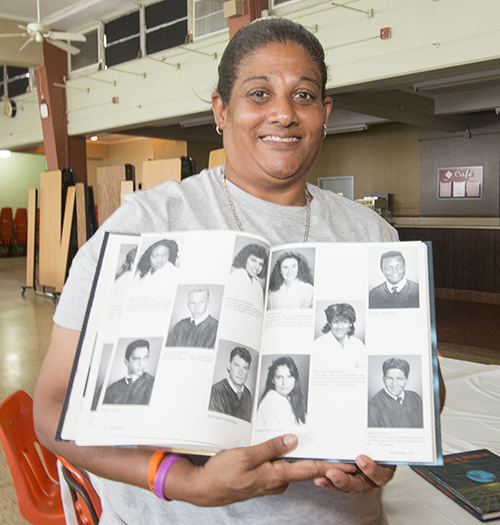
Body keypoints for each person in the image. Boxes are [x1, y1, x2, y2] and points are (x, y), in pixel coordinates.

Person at [33, 18, 445, 525]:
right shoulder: (144, 227)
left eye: (305, 95)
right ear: (221, 111)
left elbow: (427, 386)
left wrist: (387, 455)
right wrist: (180, 480)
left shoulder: (371, 236)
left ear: (325, 112)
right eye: (259, 93)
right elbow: (53, 413)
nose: (284, 113)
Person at [368, 358, 424, 428]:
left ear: (406, 380)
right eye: (390, 378)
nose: (394, 384)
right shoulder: (373, 406)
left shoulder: (415, 398)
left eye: (399, 379)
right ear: (383, 379)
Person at [257, 356, 307, 427]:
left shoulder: (291, 399)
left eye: (289, 377)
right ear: (273, 379)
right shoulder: (271, 402)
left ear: (295, 378)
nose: (285, 383)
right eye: (279, 377)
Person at [103, 339, 155, 405]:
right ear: (126, 362)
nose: (142, 364)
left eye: (145, 358)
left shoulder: (152, 384)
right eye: (136, 359)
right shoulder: (111, 390)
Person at [209, 347, 253, 422]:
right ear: (229, 366)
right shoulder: (216, 392)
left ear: (248, 371)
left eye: (245, 368)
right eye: (236, 365)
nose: (240, 372)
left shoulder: (247, 395)